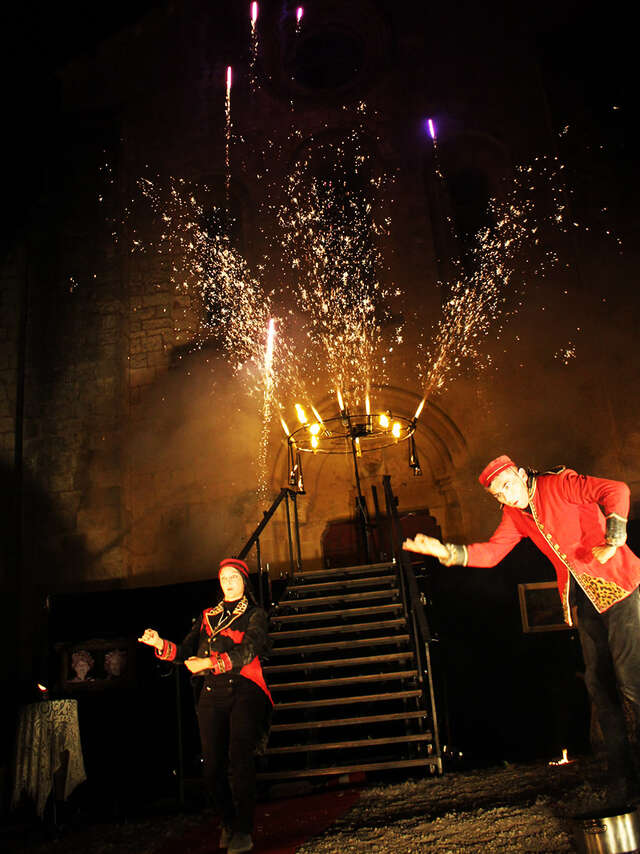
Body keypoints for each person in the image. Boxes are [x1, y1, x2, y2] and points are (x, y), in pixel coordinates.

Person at [403, 454, 640, 806]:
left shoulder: (557, 484)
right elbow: (493, 553)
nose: (506, 497)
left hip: (620, 587)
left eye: (507, 486)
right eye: (498, 495)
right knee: (600, 687)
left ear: (518, 473)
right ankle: (624, 783)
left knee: (632, 681)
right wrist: (447, 551)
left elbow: (616, 489)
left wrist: (615, 535)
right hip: (584, 599)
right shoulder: (516, 515)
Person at [139, 558, 272, 854]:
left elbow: (249, 650)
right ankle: (227, 820)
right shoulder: (208, 616)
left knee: (240, 760)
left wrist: (211, 662)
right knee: (211, 768)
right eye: (223, 577)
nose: (228, 582)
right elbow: (186, 651)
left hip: (245, 689)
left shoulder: (255, 614)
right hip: (212, 692)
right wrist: (161, 644)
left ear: (244, 581)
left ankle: (243, 830)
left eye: (233, 577)